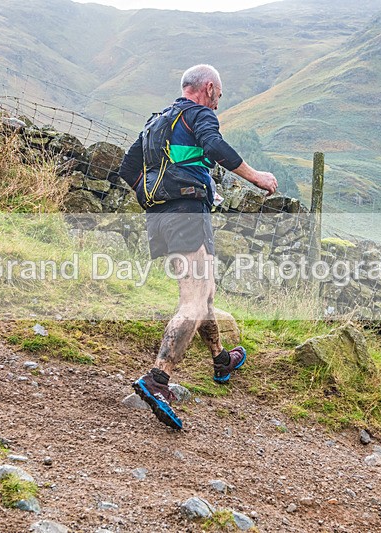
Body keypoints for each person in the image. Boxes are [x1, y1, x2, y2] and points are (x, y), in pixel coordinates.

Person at [117, 64, 278, 430]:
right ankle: (157, 380)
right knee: (192, 300)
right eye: (218, 96)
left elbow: (128, 168)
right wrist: (255, 177)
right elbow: (214, 145)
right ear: (208, 88)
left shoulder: (156, 121)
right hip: (189, 211)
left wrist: (157, 193)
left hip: (160, 217)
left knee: (204, 294)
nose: (217, 104)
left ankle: (221, 359)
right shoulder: (199, 114)